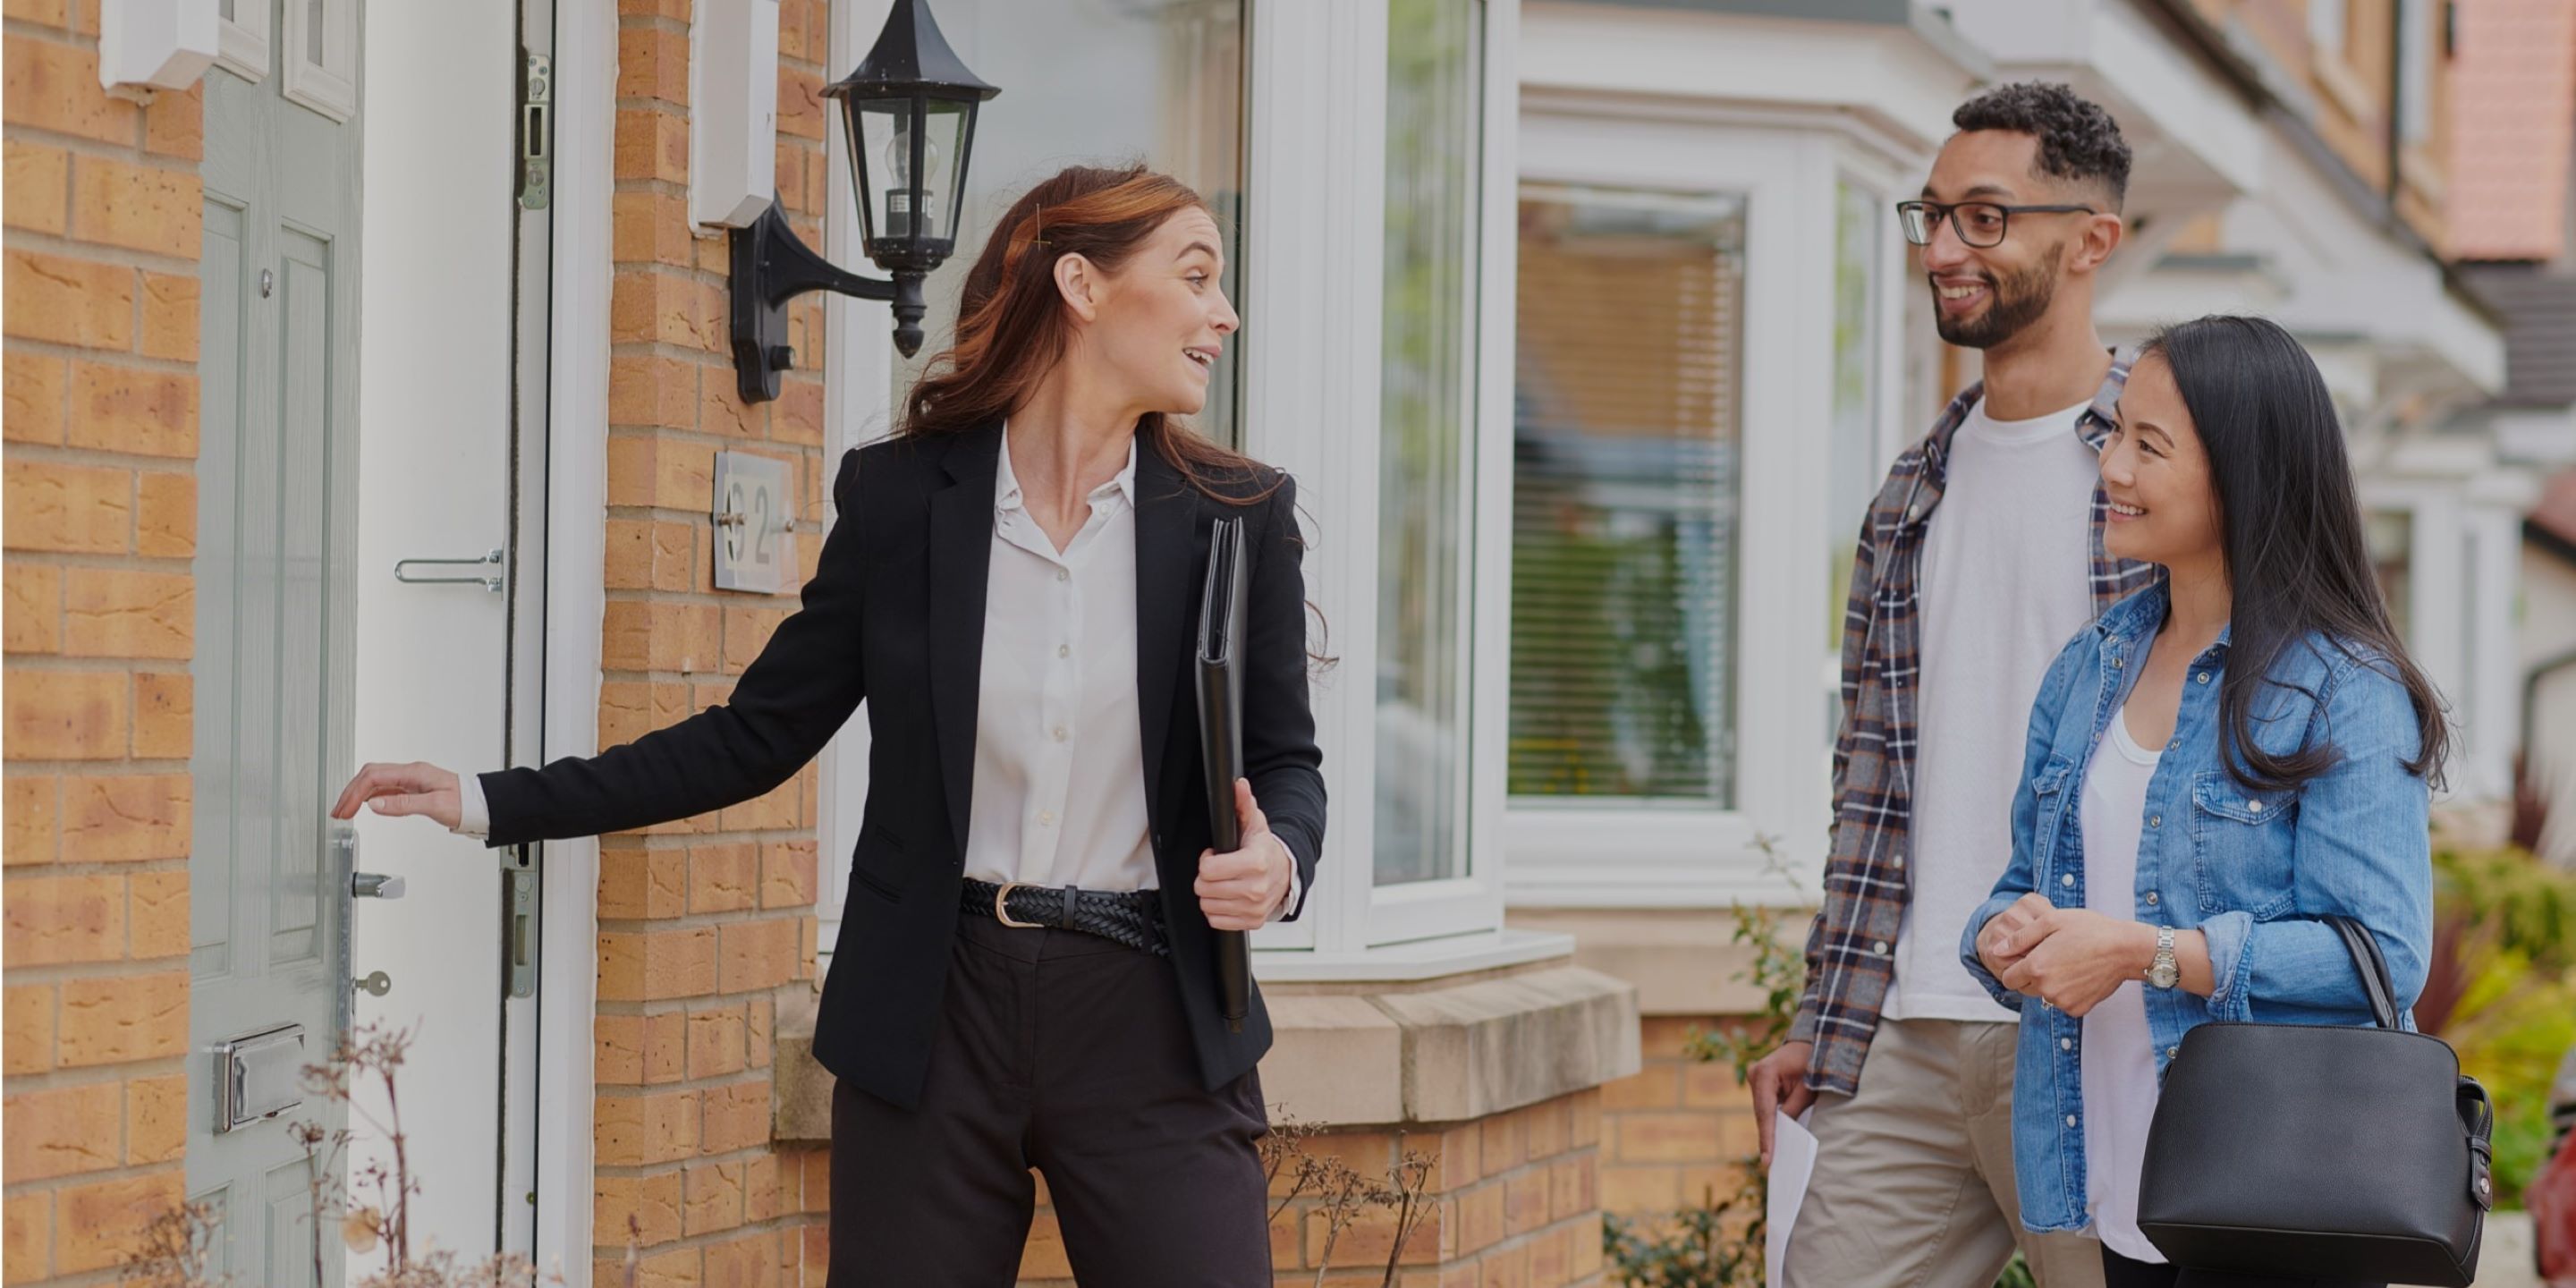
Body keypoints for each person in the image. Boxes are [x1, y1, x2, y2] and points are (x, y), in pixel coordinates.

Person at [330, 164, 1326, 1287]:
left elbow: (1286, 761)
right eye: (1195, 277)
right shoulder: (904, 501)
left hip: (1152, 1012)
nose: (1223, 314)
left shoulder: (1238, 518)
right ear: (1083, 287)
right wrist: (488, 798)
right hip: (933, 1012)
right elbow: (754, 736)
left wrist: (1279, 861)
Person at [1748, 81, 2147, 1288]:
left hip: (2098, 1030)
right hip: (1904, 1028)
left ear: (2091, 240)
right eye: (1931, 217)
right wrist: (1824, 1015)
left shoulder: (2171, 474)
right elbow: (1868, 780)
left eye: (1985, 217)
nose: (1942, 251)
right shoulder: (1908, 493)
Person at [1962, 315, 2446, 1288]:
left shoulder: (2343, 688)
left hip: (2272, 1191)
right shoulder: (2091, 667)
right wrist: (2003, 935)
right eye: (2116, 434)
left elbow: (2384, 953)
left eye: (2150, 446)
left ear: (2242, 475)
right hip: (2118, 1179)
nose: (2112, 468)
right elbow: (2026, 882)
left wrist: (2141, 953)